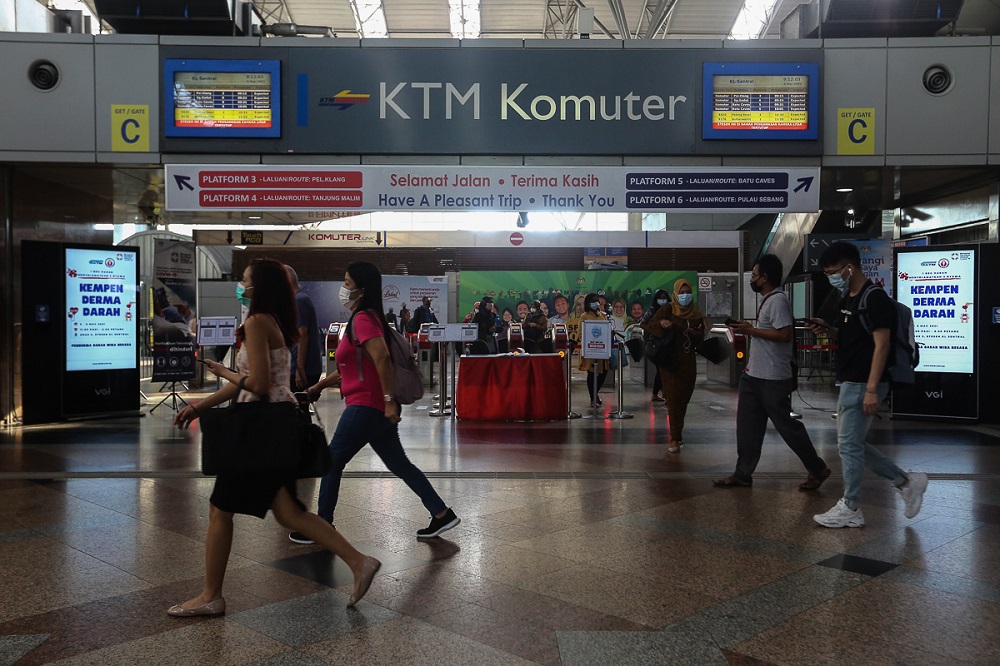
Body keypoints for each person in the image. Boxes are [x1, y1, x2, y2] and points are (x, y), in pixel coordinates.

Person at [170, 258, 380, 616]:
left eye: (245, 279)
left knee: (221, 509)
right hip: (274, 423)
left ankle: (211, 596)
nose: (241, 284)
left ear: (259, 287)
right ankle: (359, 562)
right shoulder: (271, 320)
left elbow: (258, 384)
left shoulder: (256, 322)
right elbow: (255, 382)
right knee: (288, 511)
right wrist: (201, 405)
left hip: (259, 427)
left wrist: (223, 371)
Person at [290, 261, 460, 544]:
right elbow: (348, 365)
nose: (343, 290)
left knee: (332, 461)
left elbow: (381, 357)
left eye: (347, 283)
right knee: (400, 464)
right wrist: (318, 386)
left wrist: (389, 400)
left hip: (367, 405)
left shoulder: (363, 319)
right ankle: (441, 513)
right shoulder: (366, 317)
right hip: (374, 406)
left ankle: (323, 526)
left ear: (361, 289)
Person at [809, 242, 928, 528]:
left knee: (848, 445)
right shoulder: (848, 297)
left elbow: (882, 344)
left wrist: (873, 388)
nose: (831, 277)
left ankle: (851, 506)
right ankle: (906, 482)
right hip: (851, 379)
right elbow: (855, 337)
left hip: (865, 381)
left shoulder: (874, 298)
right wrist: (830, 330)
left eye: (834, 271)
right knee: (853, 444)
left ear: (850, 267)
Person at [713, 255, 830, 489]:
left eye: (755, 276)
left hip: (773, 378)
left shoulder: (778, 301)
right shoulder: (768, 300)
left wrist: (751, 331)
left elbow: (784, 334)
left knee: (787, 428)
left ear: (765, 278)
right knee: (747, 427)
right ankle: (742, 473)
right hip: (754, 375)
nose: (753, 280)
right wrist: (750, 330)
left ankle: (817, 468)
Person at [644, 279, 705, 453]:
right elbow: (650, 326)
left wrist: (696, 334)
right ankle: (675, 438)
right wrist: (661, 324)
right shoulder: (667, 310)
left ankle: (678, 432)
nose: (685, 296)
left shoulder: (696, 315)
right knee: (673, 399)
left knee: (683, 399)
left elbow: (701, 339)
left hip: (687, 363)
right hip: (669, 362)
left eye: (688, 292)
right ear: (676, 294)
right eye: (682, 292)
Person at [285, 265, 324, 392]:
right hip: (304, 367)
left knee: (295, 406)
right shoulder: (299, 299)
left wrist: (299, 367)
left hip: (305, 369)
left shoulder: (299, 300)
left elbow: (302, 335)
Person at [578, 293, 610, 406]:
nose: (596, 303)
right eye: (593, 301)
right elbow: (580, 334)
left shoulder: (603, 315)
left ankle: (595, 393)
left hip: (602, 349)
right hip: (590, 350)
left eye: (597, 301)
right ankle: (593, 398)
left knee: (604, 372)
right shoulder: (584, 316)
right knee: (591, 374)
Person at [640, 289, 671, 402]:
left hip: (669, 343)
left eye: (664, 298)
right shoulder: (652, 311)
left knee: (663, 369)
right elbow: (643, 324)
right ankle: (664, 394)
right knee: (662, 369)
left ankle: (658, 393)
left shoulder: (671, 310)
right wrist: (655, 328)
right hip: (656, 345)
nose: (662, 300)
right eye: (660, 297)